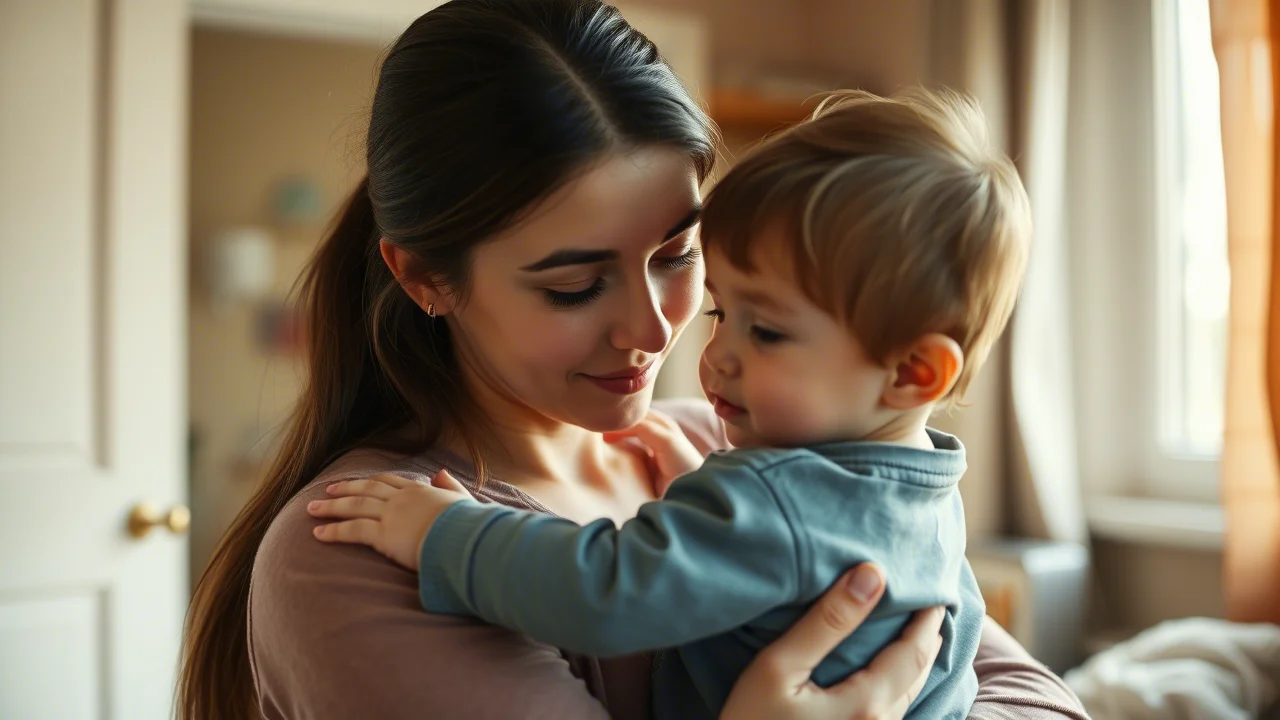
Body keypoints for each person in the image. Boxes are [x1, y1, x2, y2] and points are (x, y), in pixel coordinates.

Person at [176, 2, 1090, 719]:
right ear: (425, 280)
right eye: (575, 287)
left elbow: (1039, 700)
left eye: (678, 257)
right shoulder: (351, 548)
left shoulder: (744, 449)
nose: (656, 332)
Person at [306, 88, 1027, 719]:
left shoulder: (763, 487)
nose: (684, 345)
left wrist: (443, 534)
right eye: (721, 312)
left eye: (675, 257)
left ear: (915, 372)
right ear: (426, 276)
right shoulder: (920, 492)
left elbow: (605, 590)